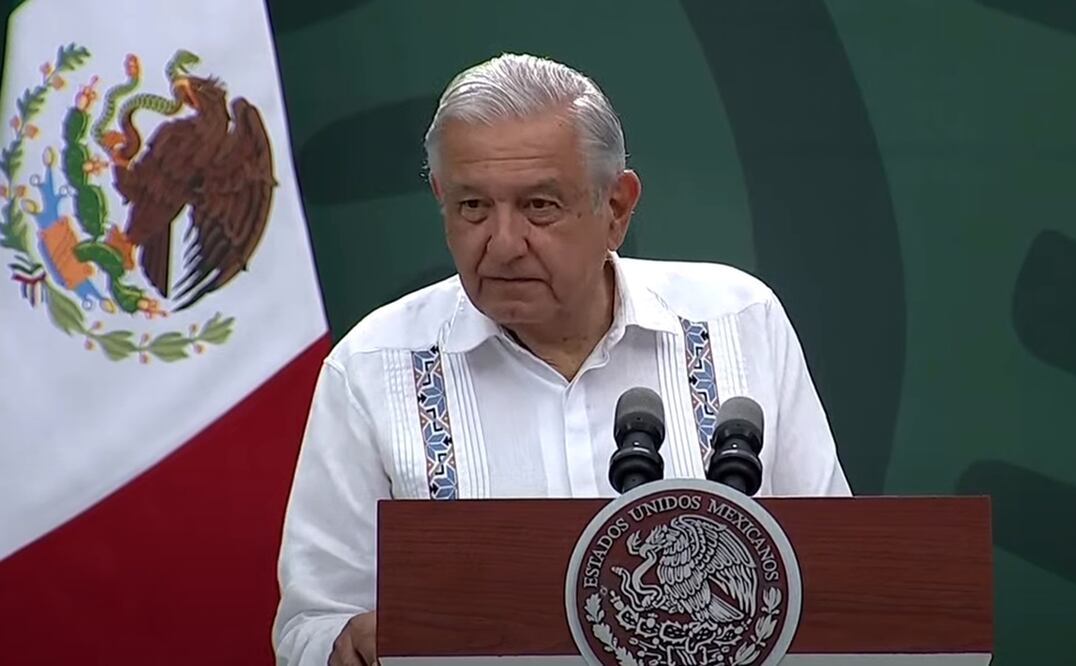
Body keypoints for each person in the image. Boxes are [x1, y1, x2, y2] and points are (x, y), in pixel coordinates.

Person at [272, 52, 851, 666]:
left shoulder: (739, 323)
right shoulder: (371, 368)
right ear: (441, 199)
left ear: (617, 208)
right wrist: (348, 645)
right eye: (473, 207)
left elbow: (839, 577)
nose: (503, 244)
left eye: (539, 206)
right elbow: (309, 624)